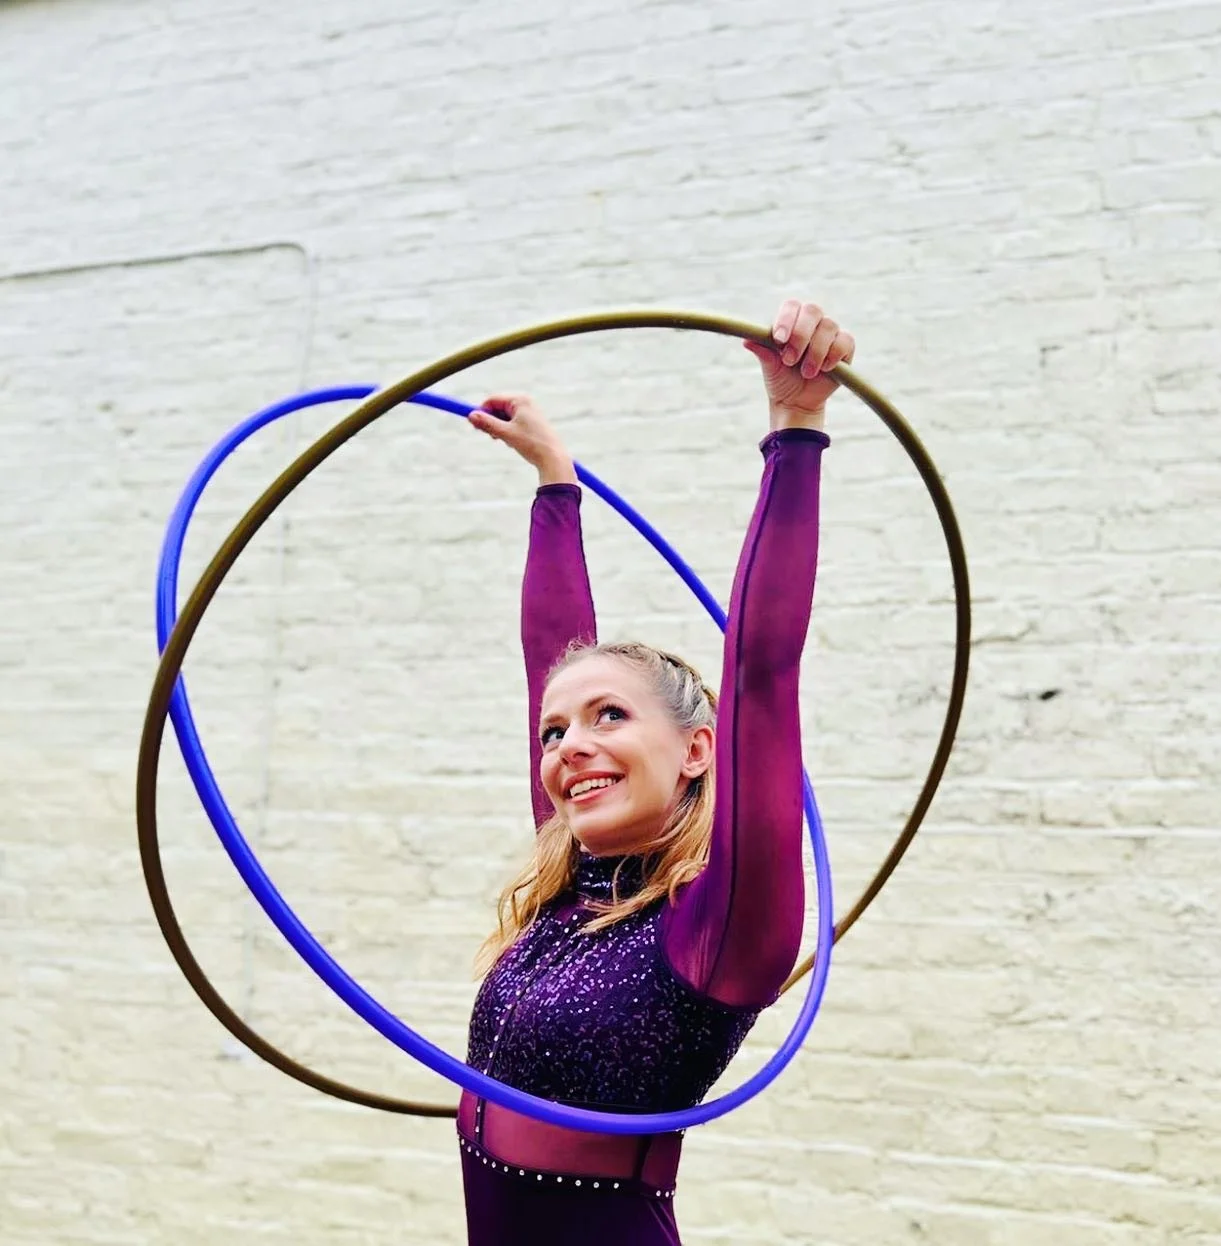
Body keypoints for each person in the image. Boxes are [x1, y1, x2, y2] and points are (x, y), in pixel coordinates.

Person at [457, 300, 854, 1245]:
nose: (566, 749)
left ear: (696, 751)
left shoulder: (719, 929)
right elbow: (548, 660)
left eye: (609, 718)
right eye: (554, 734)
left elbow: (762, 672)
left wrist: (795, 428)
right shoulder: (573, 880)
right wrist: (556, 484)